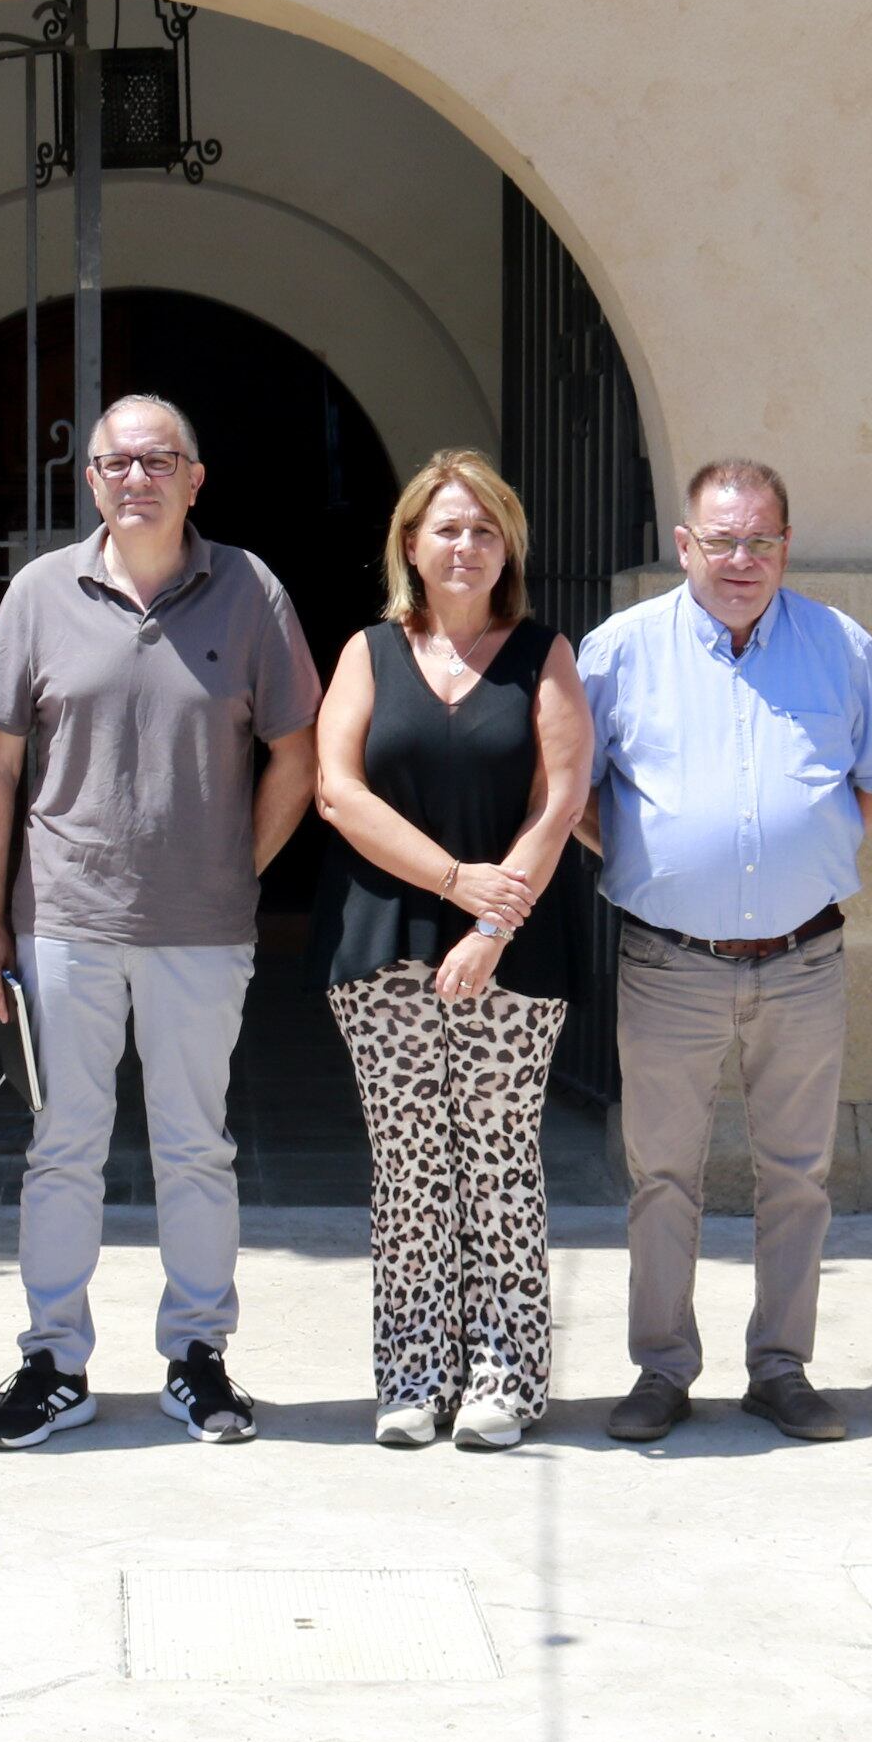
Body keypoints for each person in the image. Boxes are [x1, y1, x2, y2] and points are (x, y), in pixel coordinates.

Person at [0, 392, 322, 1449]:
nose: (138, 479)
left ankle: (198, 1357)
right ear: (91, 479)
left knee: (194, 1147)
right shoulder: (38, 593)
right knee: (63, 1145)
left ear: (195, 479)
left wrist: (233, 868)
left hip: (201, 930)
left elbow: (295, 755)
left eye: (161, 460)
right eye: (118, 462)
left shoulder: (250, 591)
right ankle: (52, 1360)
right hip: (63, 919)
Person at [580, 457, 872, 1445]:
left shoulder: (839, 648)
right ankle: (661, 1369)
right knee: (663, 1175)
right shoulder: (618, 653)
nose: (741, 559)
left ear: (786, 545)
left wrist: (803, 849)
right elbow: (575, 796)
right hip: (669, 959)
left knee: (798, 1172)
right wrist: (655, 858)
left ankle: (782, 1367)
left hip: (804, 957)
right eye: (720, 539)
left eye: (761, 539)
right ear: (685, 544)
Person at [311, 452, 593, 1450]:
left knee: (500, 1164)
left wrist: (489, 923)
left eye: (483, 528)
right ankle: (409, 1376)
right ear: (410, 547)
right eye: (446, 528)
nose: (465, 544)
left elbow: (560, 800)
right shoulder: (367, 651)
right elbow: (338, 792)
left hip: (511, 954)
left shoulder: (543, 655)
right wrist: (453, 882)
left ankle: (505, 1378)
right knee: (408, 1169)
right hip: (385, 946)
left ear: (506, 543)